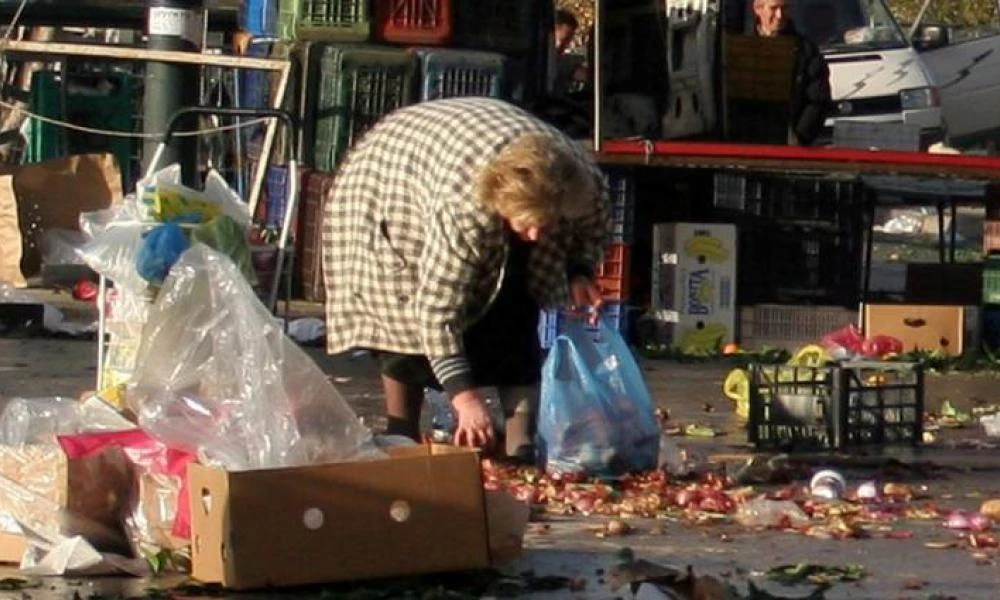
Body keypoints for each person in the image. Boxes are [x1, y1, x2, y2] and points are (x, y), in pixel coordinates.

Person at [321, 97, 609, 461]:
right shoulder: (463, 208)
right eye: (527, 223)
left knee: (516, 310)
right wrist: (465, 398)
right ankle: (402, 431)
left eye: (546, 224)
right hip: (393, 179)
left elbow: (591, 228)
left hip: (478, 149)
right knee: (402, 316)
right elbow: (436, 313)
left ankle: (521, 443)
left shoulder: (580, 184)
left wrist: (579, 270)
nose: (536, 235)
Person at [751, 0, 831, 145]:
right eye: (774, 8)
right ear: (758, 9)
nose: (780, 15)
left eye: (785, 8)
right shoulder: (738, 46)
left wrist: (799, 137)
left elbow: (819, 98)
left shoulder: (806, 50)